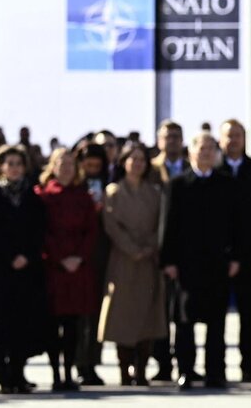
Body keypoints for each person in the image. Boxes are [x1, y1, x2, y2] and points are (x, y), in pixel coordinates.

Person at [161, 132, 239, 390]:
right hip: (186, 264)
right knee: (185, 321)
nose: (206, 153)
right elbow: (168, 225)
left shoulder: (226, 184)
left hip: (218, 263)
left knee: (216, 322)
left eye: (210, 149)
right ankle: (185, 370)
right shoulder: (178, 184)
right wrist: (168, 260)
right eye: (201, 148)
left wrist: (235, 257)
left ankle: (215, 372)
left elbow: (236, 225)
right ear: (191, 152)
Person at [0, 145, 50, 394]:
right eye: (9, 163)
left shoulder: (33, 196)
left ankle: (18, 373)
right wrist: (8, 256)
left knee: (22, 324)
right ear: (0, 166)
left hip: (26, 271)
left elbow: (39, 231)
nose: (14, 168)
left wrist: (26, 256)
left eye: (18, 163)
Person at [99, 144, 167, 387]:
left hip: (148, 262)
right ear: (124, 162)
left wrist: (149, 246)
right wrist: (132, 249)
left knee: (147, 317)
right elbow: (111, 225)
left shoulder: (155, 193)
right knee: (122, 317)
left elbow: (161, 224)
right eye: (133, 159)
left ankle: (141, 370)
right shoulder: (114, 191)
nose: (137, 164)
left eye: (141, 160)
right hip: (123, 261)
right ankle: (124, 371)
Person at [36, 148, 99, 391]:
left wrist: (78, 257)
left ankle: (69, 372)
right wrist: (60, 257)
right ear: (52, 167)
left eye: (70, 164)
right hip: (54, 267)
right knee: (53, 324)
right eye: (61, 164)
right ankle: (55, 372)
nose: (66, 168)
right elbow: (42, 231)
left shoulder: (83, 196)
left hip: (78, 269)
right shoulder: (43, 195)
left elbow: (91, 230)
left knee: (74, 324)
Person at [217, 118, 251, 383]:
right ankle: (215, 369)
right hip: (219, 257)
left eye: (237, 135)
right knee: (215, 316)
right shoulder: (213, 170)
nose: (233, 140)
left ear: (245, 138)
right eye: (228, 135)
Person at [149, 119, 188, 381]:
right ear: (159, 140)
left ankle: (185, 363)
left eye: (176, 136)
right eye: (167, 136)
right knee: (159, 311)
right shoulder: (149, 169)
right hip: (153, 249)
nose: (171, 141)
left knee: (182, 311)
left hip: (185, 250)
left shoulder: (190, 167)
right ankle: (163, 362)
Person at [73, 143, 110, 387]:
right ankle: (77, 362)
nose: (93, 168)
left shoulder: (109, 184)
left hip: (101, 255)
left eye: (97, 165)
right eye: (88, 164)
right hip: (76, 257)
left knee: (96, 314)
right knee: (78, 315)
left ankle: (92, 363)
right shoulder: (74, 186)